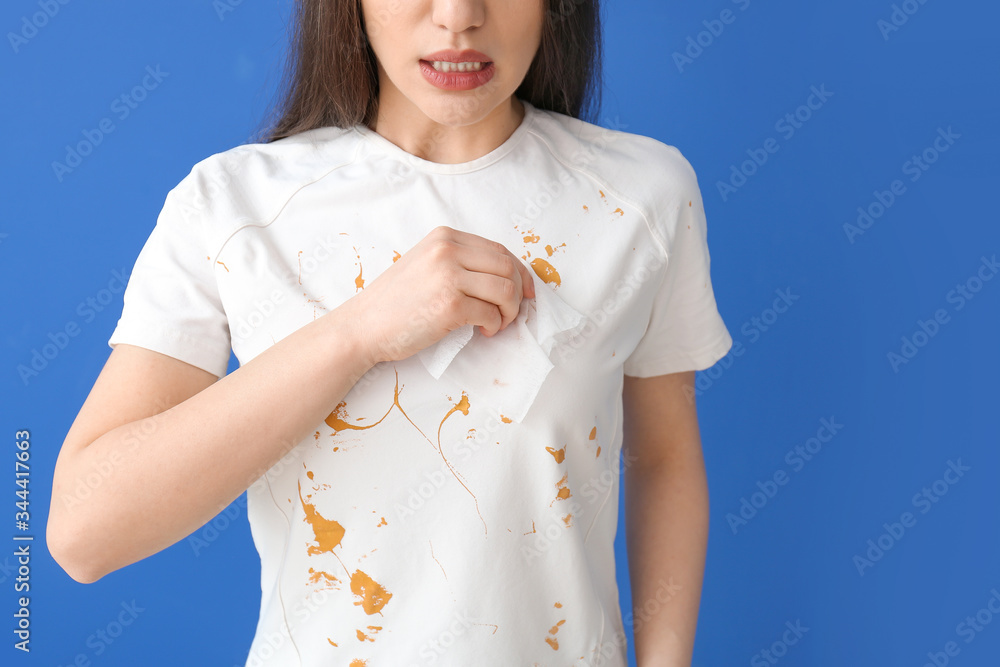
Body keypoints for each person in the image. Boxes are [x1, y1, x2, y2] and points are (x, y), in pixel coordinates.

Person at [46, 0, 733, 665]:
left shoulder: (640, 195)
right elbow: (84, 529)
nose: (459, 13)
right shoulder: (233, 208)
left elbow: (665, 458)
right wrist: (359, 333)